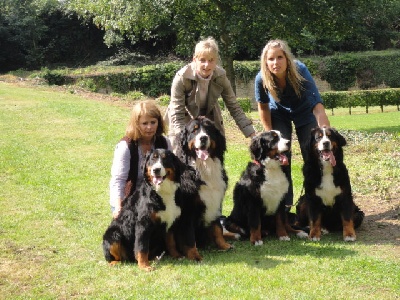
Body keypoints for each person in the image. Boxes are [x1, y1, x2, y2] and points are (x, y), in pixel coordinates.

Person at [254, 39, 331, 210]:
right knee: (282, 156)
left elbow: (318, 106)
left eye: (280, 57)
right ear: (265, 62)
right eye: (271, 59)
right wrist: (270, 134)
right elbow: (263, 107)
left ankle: (317, 201)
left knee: (312, 153)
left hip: (304, 111)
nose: (276, 63)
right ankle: (285, 205)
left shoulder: (300, 70)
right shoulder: (261, 78)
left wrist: (324, 133)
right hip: (279, 113)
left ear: (287, 58)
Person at [165, 36, 255, 149]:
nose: (207, 65)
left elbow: (234, 107)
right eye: (202, 60)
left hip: (209, 117)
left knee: (215, 155)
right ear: (194, 60)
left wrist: (252, 134)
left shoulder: (221, 76)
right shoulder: (181, 78)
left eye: (211, 60)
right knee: (181, 154)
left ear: (216, 61)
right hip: (184, 117)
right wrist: (181, 138)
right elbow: (177, 112)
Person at [109, 100, 171, 219]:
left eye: (153, 122)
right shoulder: (126, 147)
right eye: (144, 123)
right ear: (136, 124)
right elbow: (118, 181)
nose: (149, 127)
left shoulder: (164, 142)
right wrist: (118, 207)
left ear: (159, 122)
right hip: (129, 198)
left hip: (156, 197)